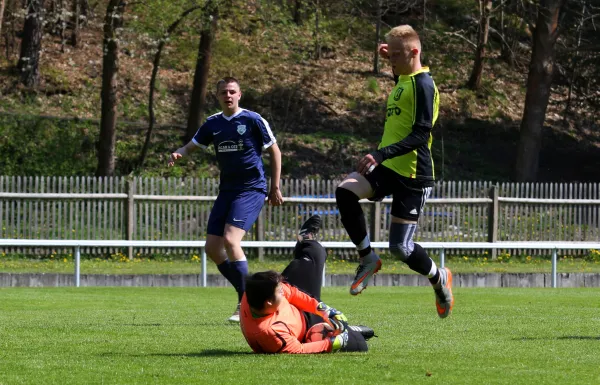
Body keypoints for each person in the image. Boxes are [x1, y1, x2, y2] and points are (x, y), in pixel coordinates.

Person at [334, 25, 454, 318]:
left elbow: (420, 134)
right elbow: (402, 72)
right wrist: (391, 53)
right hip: (388, 167)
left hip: (413, 174)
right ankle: (367, 258)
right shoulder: (404, 78)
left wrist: (380, 153)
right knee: (345, 191)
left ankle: (439, 279)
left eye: (397, 55)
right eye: (390, 55)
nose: (391, 60)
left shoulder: (424, 85)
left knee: (401, 248)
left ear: (415, 52)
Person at [168, 77, 284, 322]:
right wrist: (180, 152)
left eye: (232, 91)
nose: (228, 95)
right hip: (227, 190)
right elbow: (193, 145)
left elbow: (274, 150)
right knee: (212, 248)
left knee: (231, 240)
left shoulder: (252, 120)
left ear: (239, 95)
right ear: (218, 96)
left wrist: (274, 186)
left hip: (251, 188)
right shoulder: (213, 123)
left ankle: (246, 302)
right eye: (223, 92)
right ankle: (246, 294)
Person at [239, 215, 376, 354]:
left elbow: (290, 292)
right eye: (279, 290)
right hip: (307, 329)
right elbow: (299, 349)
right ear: (268, 302)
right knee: (359, 345)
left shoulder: (253, 293)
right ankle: (350, 330)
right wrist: (332, 343)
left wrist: (323, 309)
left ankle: (306, 239)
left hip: (298, 308)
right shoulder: (271, 333)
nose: (283, 290)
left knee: (316, 253)